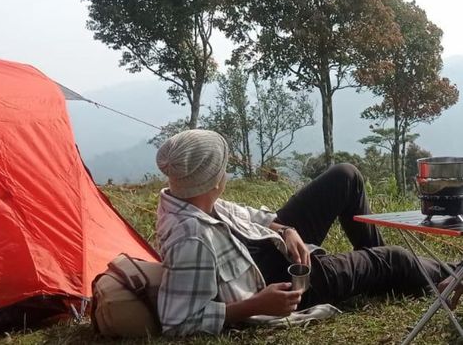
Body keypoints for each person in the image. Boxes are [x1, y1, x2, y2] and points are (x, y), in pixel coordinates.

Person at [155, 129, 457, 337]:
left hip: (272, 247)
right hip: (285, 286)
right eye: (222, 167)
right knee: (396, 258)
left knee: (345, 176)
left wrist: (286, 230)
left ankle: (380, 271)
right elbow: (178, 320)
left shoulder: (194, 199)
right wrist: (257, 305)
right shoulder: (191, 238)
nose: (227, 173)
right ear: (212, 180)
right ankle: (452, 274)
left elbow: (252, 216)